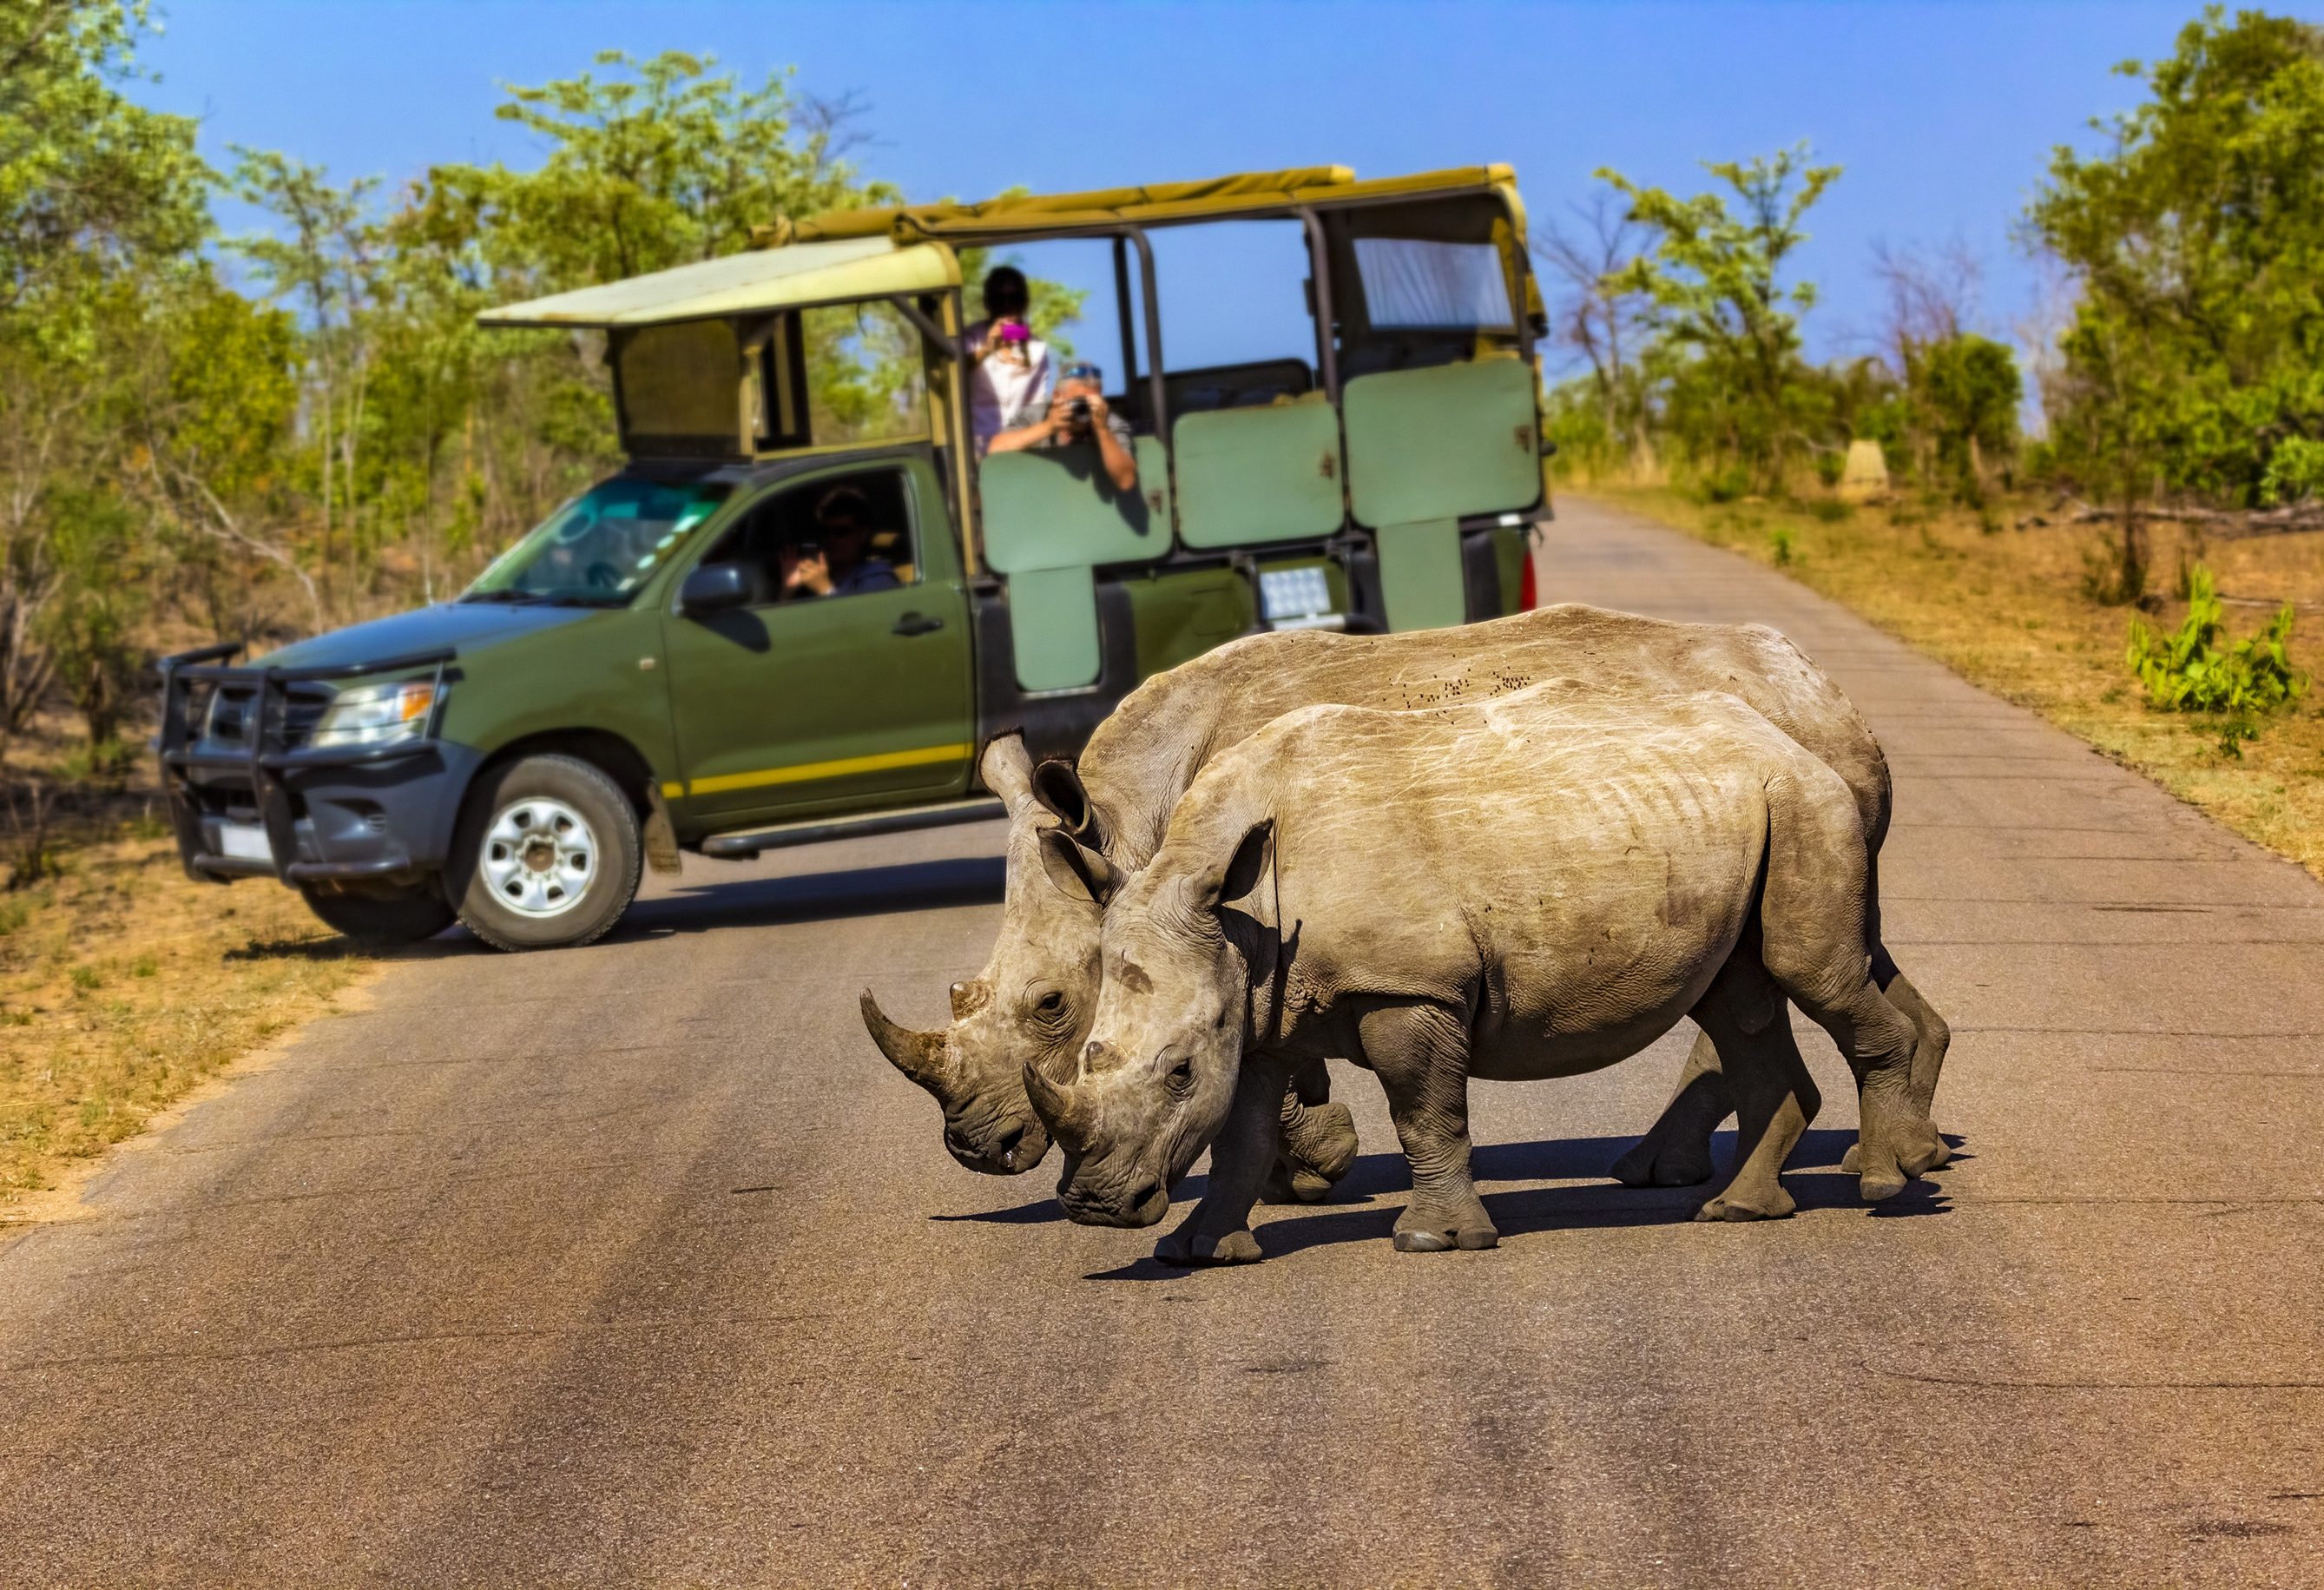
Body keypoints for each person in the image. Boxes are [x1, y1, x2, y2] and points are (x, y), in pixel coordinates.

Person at [985, 363, 1140, 494]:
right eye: (1078, 402)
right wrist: (1048, 427)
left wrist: (1102, 430)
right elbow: (995, 449)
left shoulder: (1109, 423)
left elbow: (1126, 481)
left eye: (1091, 402)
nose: (1084, 409)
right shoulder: (1036, 416)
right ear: (1057, 396)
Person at [963, 266, 1053, 452]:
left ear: (1025, 303)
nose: (1006, 306)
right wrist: (988, 348)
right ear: (987, 304)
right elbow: (956, 371)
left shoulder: (1037, 348)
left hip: (1017, 449)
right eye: (999, 299)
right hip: (975, 450)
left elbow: (1036, 405)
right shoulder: (970, 338)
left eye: (1014, 299)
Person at [780, 485, 902, 599]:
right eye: (825, 531)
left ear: (862, 535)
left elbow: (866, 620)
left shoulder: (877, 577)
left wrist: (825, 589)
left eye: (841, 532)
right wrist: (789, 590)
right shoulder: (822, 576)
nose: (832, 539)